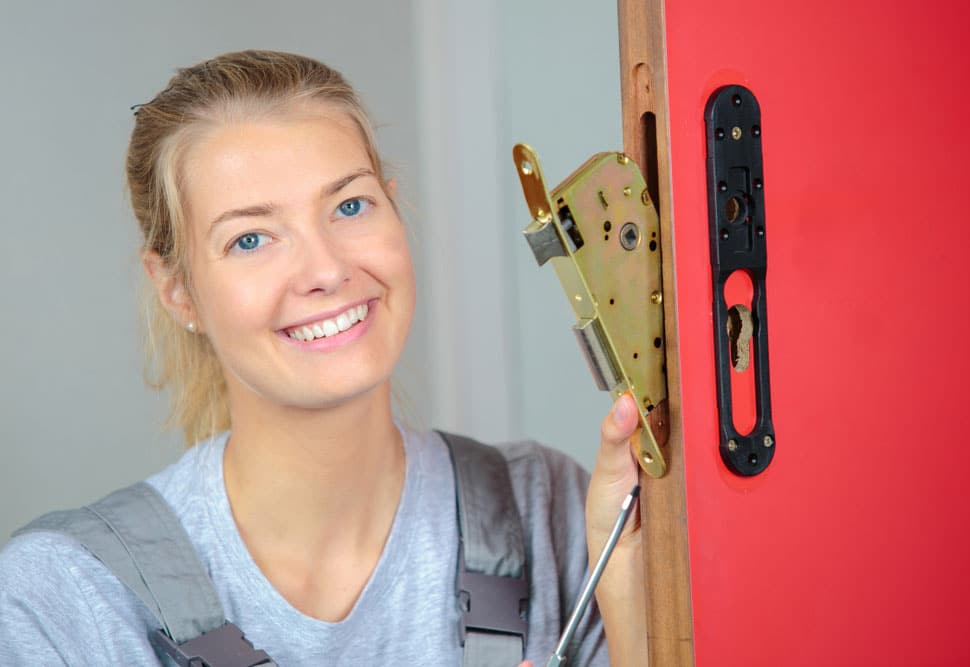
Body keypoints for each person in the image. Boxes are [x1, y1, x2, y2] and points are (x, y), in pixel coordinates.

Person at [0, 50, 646, 666]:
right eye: (250, 238)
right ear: (176, 290)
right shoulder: (63, 597)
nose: (327, 268)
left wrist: (635, 592)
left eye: (350, 205)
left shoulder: (543, 507)